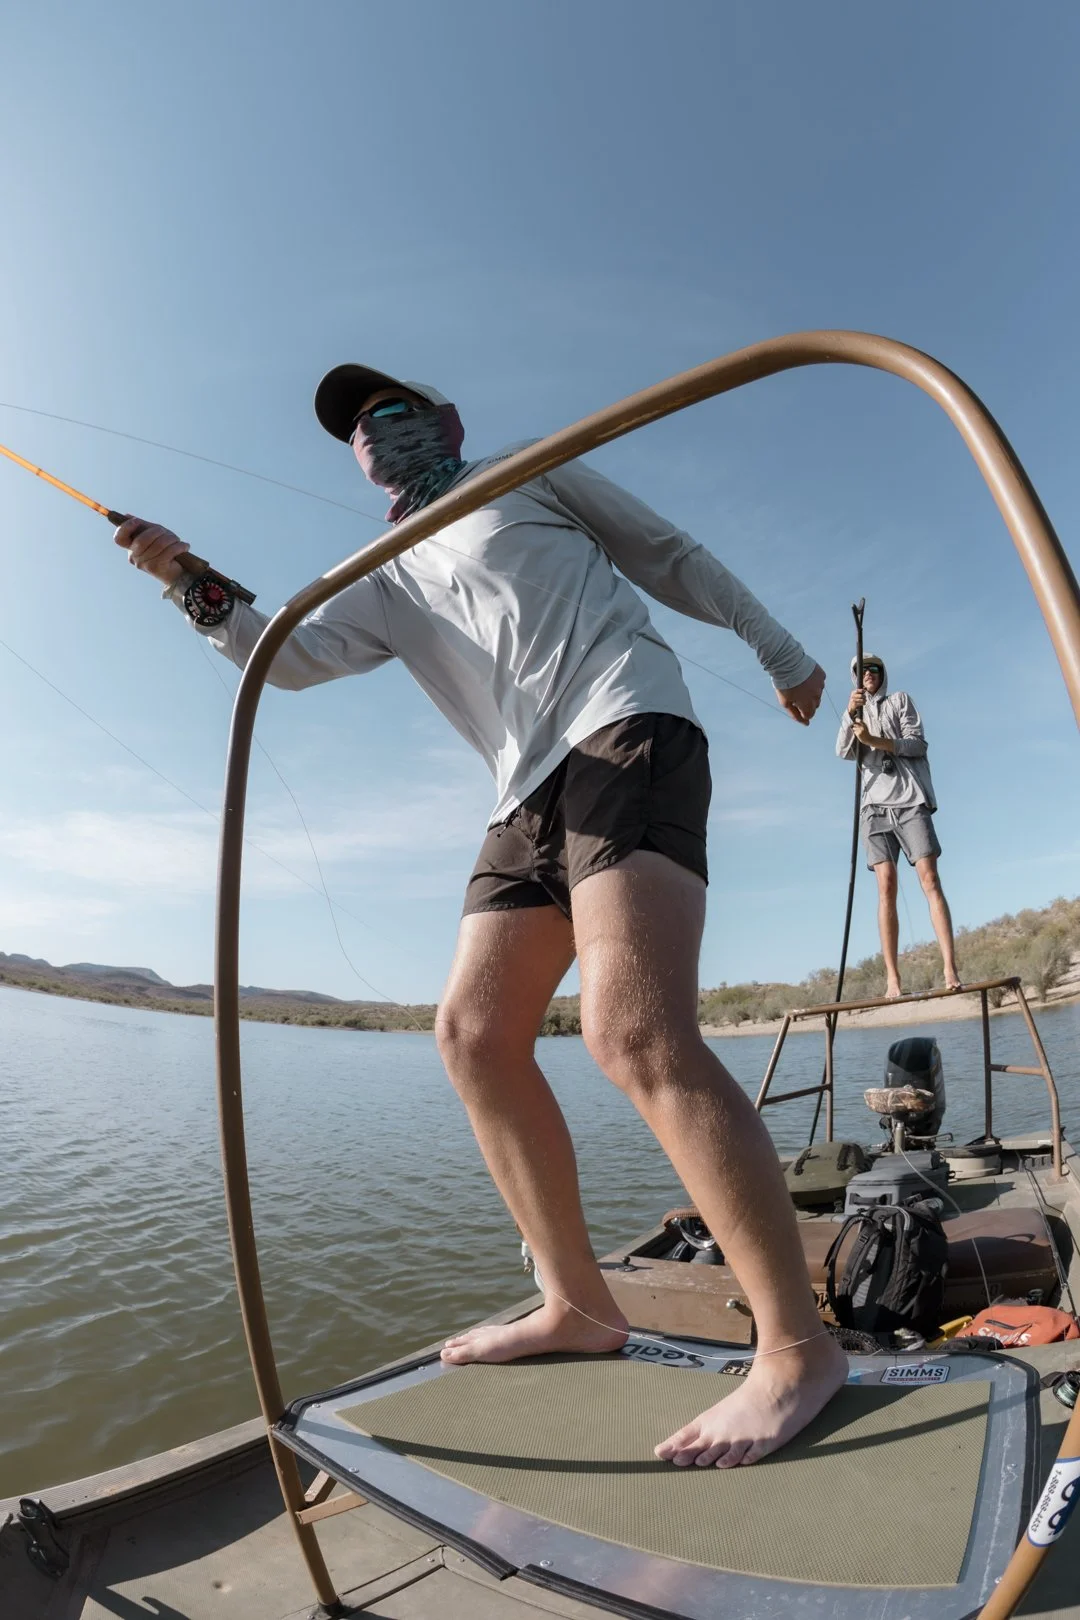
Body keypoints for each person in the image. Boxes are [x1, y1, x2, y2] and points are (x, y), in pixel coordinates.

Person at [115, 364, 847, 1469]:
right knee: (471, 1037)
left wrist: (781, 650)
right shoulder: (376, 568)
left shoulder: (528, 472)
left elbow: (669, 555)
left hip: (623, 725)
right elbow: (294, 656)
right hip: (520, 792)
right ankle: (579, 1307)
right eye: (356, 428)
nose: (372, 431)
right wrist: (185, 578)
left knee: (634, 1033)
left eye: (390, 410)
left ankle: (798, 1350)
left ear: (445, 421)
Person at [836, 654, 960, 997]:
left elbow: (917, 744)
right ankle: (893, 979)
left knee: (929, 879)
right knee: (885, 886)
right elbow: (842, 750)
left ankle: (950, 967)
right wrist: (850, 715)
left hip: (909, 801)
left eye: (873, 670)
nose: (868, 675)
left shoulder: (900, 700)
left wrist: (877, 742)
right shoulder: (855, 711)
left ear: (882, 674)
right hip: (873, 808)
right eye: (861, 672)